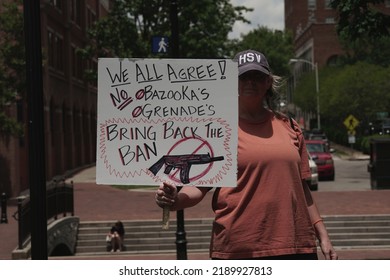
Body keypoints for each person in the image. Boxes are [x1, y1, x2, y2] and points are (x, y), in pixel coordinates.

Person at [155, 49, 338, 260]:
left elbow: (302, 187)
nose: (250, 82)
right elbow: (199, 186)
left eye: (257, 76)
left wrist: (322, 233)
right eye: (243, 76)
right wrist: (175, 199)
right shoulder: (217, 130)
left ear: (268, 82)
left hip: (296, 246)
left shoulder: (290, 126)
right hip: (239, 249)